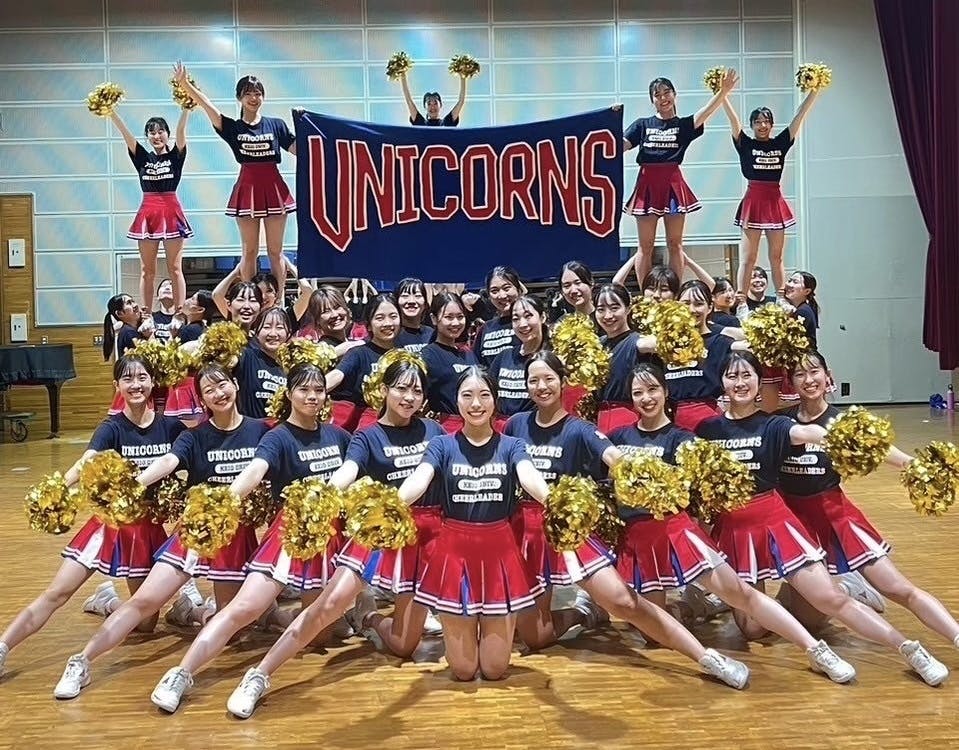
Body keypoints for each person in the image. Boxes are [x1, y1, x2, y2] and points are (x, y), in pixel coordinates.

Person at [696, 350, 949, 686]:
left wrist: (908, 464)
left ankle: (909, 649)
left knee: (830, 600)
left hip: (776, 524)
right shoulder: (708, 430)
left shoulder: (776, 425)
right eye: (732, 376)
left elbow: (825, 436)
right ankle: (820, 593)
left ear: (759, 382)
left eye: (747, 376)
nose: (740, 383)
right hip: (734, 532)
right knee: (752, 629)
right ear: (722, 382)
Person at [606, 361, 858, 681]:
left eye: (653, 389)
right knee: (650, 633)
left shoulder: (683, 439)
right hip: (639, 541)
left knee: (744, 596)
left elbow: (697, 487)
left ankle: (816, 649)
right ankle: (705, 612)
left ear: (666, 392)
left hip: (677, 533)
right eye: (638, 392)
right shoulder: (618, 437)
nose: (646, 398)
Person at [221, 360, 445, 718]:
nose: (409, 397)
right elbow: (348, 471)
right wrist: (321, 496)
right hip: (377, 529)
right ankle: (259, 674)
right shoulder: (366, 436)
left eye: (416, 390)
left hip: (422, 539)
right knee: (326, 607)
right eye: (401, 388)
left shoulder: (434, 431)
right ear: (384, 390)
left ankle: (368, 616)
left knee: (404, 646)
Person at [52, 363, 270, 700]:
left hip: (235, 537)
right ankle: (81, 660)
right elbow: (168, 462)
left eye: (223, 384)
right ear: (202, 400)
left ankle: (186, 634)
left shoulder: (261, 431)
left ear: (235, 385)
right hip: (195, 531)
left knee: (235, 625)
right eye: (209, 390)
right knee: (144, 602)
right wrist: (134, 486)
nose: (219, 393)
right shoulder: (193, 436)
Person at [149, 362, 351, 713]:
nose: (312, 396)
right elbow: (255, 471)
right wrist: (225, 501)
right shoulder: (277, 436)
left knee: (321, 633)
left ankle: (286, 618)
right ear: (289, 394)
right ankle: (180, 674)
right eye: (304, 389)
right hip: (289, 534)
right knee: (243, 608)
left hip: (325, 538)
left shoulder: (339, 436)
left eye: (319, 390)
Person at [0, 355, 185, 677]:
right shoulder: (111, 428)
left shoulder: (171, 427)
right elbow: (86, 461)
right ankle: (3, 647)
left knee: (146, 623)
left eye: (142, 377)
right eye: (127, 379)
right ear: (117, 386)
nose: (136, 385)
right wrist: (58, 488)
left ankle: (106, 601)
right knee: (57, 593)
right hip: (108, 525)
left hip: (146, 529)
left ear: (153, 382)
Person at [778, 351, 959, 650]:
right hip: (796, 523)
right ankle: (847, 585)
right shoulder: (781, 422)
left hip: (836, 516)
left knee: (898, 588)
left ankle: (955, 634)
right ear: (791, 382)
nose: (808, 380)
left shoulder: (844, 422)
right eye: (799, 374)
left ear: (828, 376)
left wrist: (917, 466)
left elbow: (885, 451)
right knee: (810, 618)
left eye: (814, 372)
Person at [173, 62, 296, 290]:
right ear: (239, 98)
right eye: (248, 93)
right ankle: (249, 296)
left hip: (275, 189)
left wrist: (311, 130)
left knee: (275, 251)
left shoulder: (276, 125)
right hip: (247, 189)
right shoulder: (232, 127)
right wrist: (185, 84)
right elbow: (207, 105)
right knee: (249, 251)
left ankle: (278, 298)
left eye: (258, 93)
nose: (253, 98)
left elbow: (300, 149)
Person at [622, 70, 739, 283]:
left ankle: (674, 292)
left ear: (675, 95)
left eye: (666, 92)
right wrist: (607, 124)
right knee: (645, 246)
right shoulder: (642, 124)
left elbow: (705, 112)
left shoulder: (683, 125)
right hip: (647, 184)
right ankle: (646, 294)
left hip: (673, 184)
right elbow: (619, 145)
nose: (663, 98)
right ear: (652, 100)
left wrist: (722, 92)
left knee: (675, 244)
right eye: (657, 95)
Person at [723, 90, 820, 298]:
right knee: (748, 258)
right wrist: (722, 93)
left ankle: (781, 297)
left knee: (776, 257)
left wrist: (815, 90)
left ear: (772, 124)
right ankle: (742, 300)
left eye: (766, 121)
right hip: (753, 201)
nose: (762, 125)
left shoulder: (780, 143)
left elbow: (799, 115)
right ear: (752, 125)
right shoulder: (745, 143)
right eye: (758, 122)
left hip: (775, 201)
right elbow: (733, 119)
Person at [110, 107, 191, 311]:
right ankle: (146, 313)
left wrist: (186, 109)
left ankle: (179, 312)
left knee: (175, 268)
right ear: (147, 137)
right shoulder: (142, 158)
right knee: (147, 270)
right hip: (147, 212)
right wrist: (110, 112)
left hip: (171, 212)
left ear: (167, 134)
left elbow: (182, 132)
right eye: (151, 132)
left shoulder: (175, 156)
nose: (156, 136)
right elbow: (126, 134)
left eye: (160, 131)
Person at [327, 294, 400, 432]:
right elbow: (338, 374)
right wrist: (314, 390)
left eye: (393, 316)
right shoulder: (359, 353)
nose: (388, 323)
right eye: (380, 318)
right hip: (366, 426)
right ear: (369, 325)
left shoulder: (404, 356)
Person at [421, 292, 480, 433]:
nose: (455, 323)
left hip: (475, 425)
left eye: (460, 317)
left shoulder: (468, 352)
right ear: (434, 319)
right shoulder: (428, 355)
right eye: (448, 317)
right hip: (447, 430)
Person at [488, 296, 549, 423]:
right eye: (516, 319)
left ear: (542, 317)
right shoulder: (504, 356)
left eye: (528, 316)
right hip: (501, 428)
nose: (522, 324)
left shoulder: (551, 357)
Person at [233, 307, 290, 419]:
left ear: (288, 333)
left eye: (279, 328)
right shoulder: (246, 356)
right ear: (256, 332)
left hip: (281, 428)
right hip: (251, 427)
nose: (273, 333)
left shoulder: (292, 367)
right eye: (267, 327)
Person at [472, 266, 523, 366]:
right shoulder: (485, 328)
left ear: (518, 289)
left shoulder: (528, 323)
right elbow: (477, 363)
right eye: (494, 291)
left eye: (506, 288)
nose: (502, 295)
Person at [400, 69, 466, 127]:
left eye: (435, 103)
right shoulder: (420, 123)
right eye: (429, 104)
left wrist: (463, 76)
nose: (432, 107)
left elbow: (461, 101)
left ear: (440, 105)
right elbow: (409, 101)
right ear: (425, 107)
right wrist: (402, 75)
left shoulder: (447, 122)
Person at [394, 277, 434, 353]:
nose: (411, 301)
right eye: (405, 296)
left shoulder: (432, 334)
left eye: (418, 296)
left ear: (425, 303)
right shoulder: (391, 334)